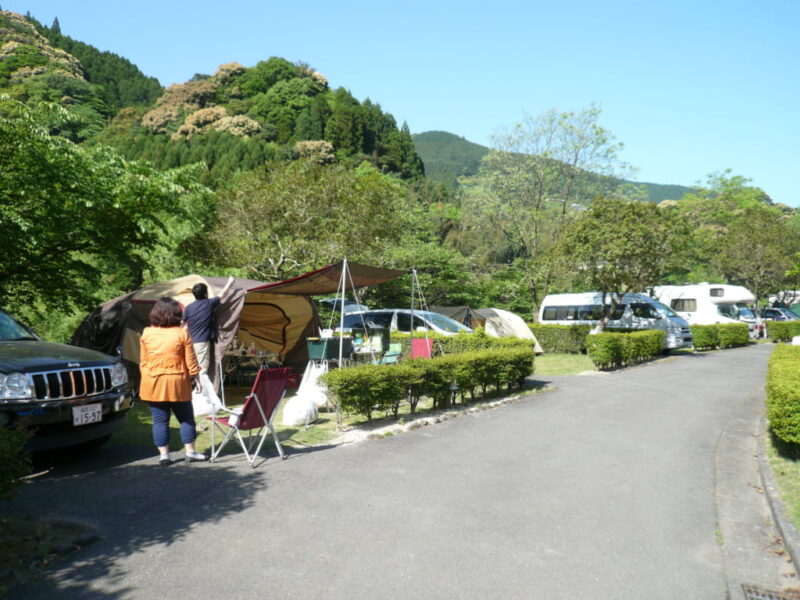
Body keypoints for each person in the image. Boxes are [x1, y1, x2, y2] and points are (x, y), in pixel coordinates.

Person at [139, 297, 206, 465]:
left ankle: (164, 456)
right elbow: (191, 360)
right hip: (177, 381)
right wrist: (197, 379)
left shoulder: (147, 332)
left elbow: (143, 361)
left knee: (160, 421)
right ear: (177, 314)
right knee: (186, 418)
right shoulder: (182, 332)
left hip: (153, 381)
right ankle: (190, 452)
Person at [182, 276, 235, 376]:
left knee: (190, 369)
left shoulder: (188, 307)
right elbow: (222, 294)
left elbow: (181, 323)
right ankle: (200, 391)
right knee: (202, 370)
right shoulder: (209, 303)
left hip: (189, 343)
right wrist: (230, 282)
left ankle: (190, 390)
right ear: (206, 293)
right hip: (201, 343)